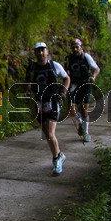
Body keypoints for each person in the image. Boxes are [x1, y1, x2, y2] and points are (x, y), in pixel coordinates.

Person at [27, 42, 71, 175]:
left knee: (51, 134)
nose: (40, 53)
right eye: (37, 51)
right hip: (39, 102)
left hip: (53, 101)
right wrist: (27, 91)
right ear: (34, 53)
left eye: (42, 50)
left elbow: (66, 78)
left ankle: (57, 161)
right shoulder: (32, 68)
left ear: (47, 52)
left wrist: (63, 91)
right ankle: (59, 155)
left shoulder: (54, 66)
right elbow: (28, 82)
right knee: (46, 134)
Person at [65, 39, 100, 142]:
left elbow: (97, 68)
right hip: (74, 85)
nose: (75, 49)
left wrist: (93, 76)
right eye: (73, 48)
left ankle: (86, 132)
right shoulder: (69, 59)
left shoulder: (86, 57)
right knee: (72, 110)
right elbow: (66, 71)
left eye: (77, 47)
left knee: (85, 110)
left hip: (85, 84)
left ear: (81, 47)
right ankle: (80, 123)